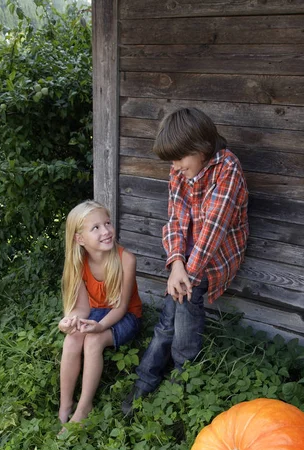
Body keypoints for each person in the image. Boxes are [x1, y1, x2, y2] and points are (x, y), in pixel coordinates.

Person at [121, 107, 249, 415]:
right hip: (187, 259)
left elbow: (212, 233)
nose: (176, 167)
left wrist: (187, 275)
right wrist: (176, 264)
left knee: (179, 316)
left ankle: (177, 378)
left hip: (215, 255)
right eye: (172, 161)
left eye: (180, 159)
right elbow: (176, 218)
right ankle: (155, 378)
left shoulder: (227, 168)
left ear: (202, 149)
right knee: (171, 318)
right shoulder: (180, 169)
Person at [58, 200, 142, 426]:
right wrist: (70, 320)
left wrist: (100, 327)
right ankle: (65, 404)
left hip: (125, 316)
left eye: (107, 223)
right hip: (96, 311)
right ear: (79, 238)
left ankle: (84, 407)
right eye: (95, 228)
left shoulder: (126, 259)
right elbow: (83, 308)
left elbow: (121, 308)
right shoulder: (78, 263)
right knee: (72, 339)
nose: (106, 231)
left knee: (93, 341)